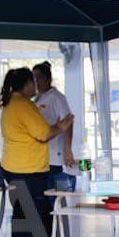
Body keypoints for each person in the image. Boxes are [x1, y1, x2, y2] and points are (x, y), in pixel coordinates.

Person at [0, 67, 74, 237]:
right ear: (26, 84)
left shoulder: (10, 104)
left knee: (21, 214)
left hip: (12, 168)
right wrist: (62, 126)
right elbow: (44, 134)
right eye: (33, 81)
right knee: (36, 215)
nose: (35, 85)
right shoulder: (24, 105)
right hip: (28, 170)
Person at [33, 62, 76, 193]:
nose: (35, 81)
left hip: (53, 156)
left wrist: (67, 150)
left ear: (48, 79)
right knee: (42, 194)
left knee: (55, 193)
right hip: (38, 157)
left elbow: (68, 122)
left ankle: (60, 208)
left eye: (39, 78)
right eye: (33, 78)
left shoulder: (57, 98)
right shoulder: (36, 98)